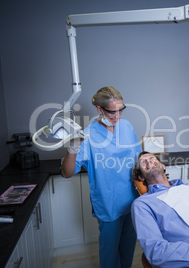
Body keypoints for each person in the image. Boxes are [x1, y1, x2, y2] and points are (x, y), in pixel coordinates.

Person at [61, 86, 142, 268]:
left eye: (121, 110)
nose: (118, 116)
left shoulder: (126, 126)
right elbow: (66, 172)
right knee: (110, 253)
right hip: (108, 203)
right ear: (100, 110)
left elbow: (137, 158)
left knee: (128, 249)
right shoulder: (88, 135)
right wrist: (73, 148)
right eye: (112, 112)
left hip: (132, 200)